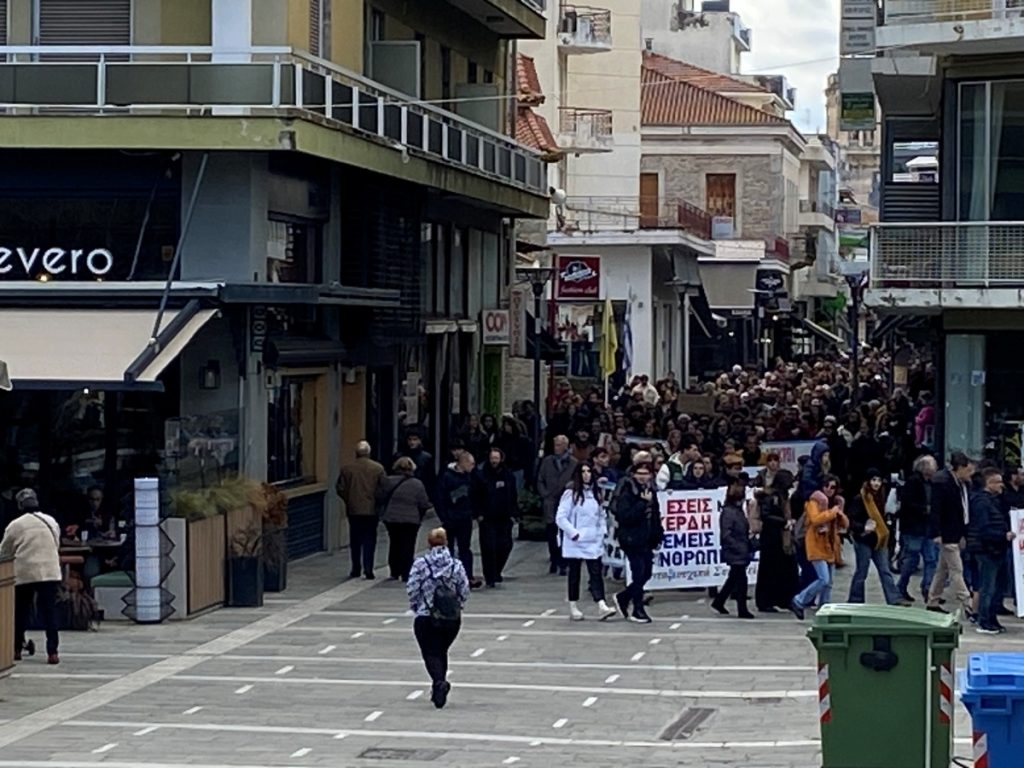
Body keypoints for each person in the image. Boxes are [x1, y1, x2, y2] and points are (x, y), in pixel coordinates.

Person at [406, 527, 470, 708]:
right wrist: (458, 604)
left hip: (426, 615)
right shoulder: (456, 565)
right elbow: (464, 589)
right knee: (441, 650)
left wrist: (416, 605)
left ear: (429, 543)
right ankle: (438, 686)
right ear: (446, 542)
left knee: (430, 652)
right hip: (451, 618)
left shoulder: (421, 564)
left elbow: (412, 587)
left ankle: (439, 682)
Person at [0, 489, 62, 664]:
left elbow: (5, 551)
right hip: (49, 570)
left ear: (20, 505)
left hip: (25, 571)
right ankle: (52, 652)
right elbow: (56, 543)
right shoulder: (51, 521)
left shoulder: (15, 525)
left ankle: (16, 649)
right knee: (49, 612)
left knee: (21, 611)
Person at [556, 462, 618, 621]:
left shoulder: (595, 493)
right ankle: (573, 605)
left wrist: (601, 531)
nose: (586, 474)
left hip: (592, 540)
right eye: (583, 471)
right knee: (574, 573)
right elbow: (561, 517)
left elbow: (601, 514)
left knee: (596, 572)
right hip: (576, 541)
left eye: (588, 471)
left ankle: (601, 604)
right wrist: (573, 533)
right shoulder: (571, 493)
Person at [790, 476, 848, 620]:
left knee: (829, 583)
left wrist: (839, 514)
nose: (829, 489)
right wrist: (832, 512)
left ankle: (824, 608)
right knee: (823, 579)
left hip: (830, 545)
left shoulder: (836, 504)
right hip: (815, 544)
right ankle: (799, 600)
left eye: (833, 487)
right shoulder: (813, 502)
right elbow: (815, 519)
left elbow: (845, 524)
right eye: (826, 486)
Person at [926, 452, 975, 615]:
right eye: (968, 470)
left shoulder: (962, 484)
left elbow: (963, 509)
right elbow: (936, 510)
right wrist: (937, 532)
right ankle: (967, 602)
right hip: (947, 532)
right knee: (956, 569)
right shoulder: (943, 483)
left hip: (956, 531)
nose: (970, 474)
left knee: (943, 569)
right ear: (960, 468)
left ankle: (933, 599)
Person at [613, 462, 662, 624]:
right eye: (639, 473)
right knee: (638, 572)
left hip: (647, 539)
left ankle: (624, 597)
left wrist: (658, 534)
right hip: (631, 539)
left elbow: (656, 514)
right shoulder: (627, 491)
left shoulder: (651, 491)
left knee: (646, 573)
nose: (642, 477)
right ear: (633, 474)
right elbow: (625, 516)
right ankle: (637, 609)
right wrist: (642, 503)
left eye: (646, 473)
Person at [847, 469, 904, 605]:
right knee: (862, 571)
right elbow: (851, 521)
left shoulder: (883, 497)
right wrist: (863, 527)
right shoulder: (860, 499)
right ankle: (855, 599)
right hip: (864, 540)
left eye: (879, 480)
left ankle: (894, 599)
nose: (876, 483)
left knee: (885, 570)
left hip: (880, 540)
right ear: (868, 481)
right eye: (873, 480)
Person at [967, 468, 1013, 634]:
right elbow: (983, 528)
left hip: (995, 549)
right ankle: (985, 620)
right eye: (998, 482)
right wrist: (1002, 535)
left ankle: (992, 618)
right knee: (988, 586)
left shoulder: (993, 501)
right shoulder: (982, 502)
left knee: (996, 586)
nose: (1002, 485)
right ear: (989, 483)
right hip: (987, 550)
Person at [336, 441, 385, 580]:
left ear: (356, 453)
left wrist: (349, 499)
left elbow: (340, 488)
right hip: (371, 510)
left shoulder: (347, 469)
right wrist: (378, 502)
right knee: (370, 539)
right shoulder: (378, 468)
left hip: (354, 510)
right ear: (369, 452)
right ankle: (368, 568)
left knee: (355, 540)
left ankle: (356, 568)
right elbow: (383, 488)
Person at [380, 457, 434, 581]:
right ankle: (406, 571)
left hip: (392, 518)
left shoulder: (388, 481)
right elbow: (423, 503)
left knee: (394, 543)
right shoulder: (417, 484)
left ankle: (394, 571)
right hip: (411, 519)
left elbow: (380, 496)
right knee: (408, 545)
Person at [754, 469, 798, 613]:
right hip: (772, 538)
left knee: (785, 570)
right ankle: (766, 601)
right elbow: (766, 515)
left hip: (780, 537)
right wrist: (784, 522)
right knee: (769, 570)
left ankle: (784, 599)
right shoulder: (771, 497)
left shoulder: (782, 496)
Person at [473, 447, 518, 588]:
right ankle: (490, 575)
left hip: (504, 517)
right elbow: (475, 495)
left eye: (496, 458)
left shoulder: (508, 475)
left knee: (505, 545)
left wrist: (514, 513)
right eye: (492, 458)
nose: (494, 461)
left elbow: (513, 495)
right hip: (487, 517)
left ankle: (497, 570)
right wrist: (478, 514)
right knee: (488, 547)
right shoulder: (481, 475)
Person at [897, 455, 939, 603]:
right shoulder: (913, 482)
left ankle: (928, 588)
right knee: (912, 559)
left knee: (931, 559)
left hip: (928, 527)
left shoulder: (933, 483)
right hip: (913, 527)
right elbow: (908, 503)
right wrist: (924, 509)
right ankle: (901, 586)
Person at [437, 450, 482, 589]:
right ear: (463, 463)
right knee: (449, 548)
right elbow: (440, 498)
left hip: (465, 517)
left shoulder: (471, 477)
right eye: (471, 464)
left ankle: (467, 576)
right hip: (451, 517)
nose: (473, 466)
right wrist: (444, 517)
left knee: (465, 548)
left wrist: (474, 512)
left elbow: (476, 495)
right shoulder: (447, 477)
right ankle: (448, 577)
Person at [711, 482, 755, 618]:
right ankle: (742, 609)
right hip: (735, 550)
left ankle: (719, 601)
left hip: (739, 548)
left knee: (734, 578)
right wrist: (738, 547)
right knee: (741, 579)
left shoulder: (736, 511)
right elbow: (726, 534)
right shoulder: (729, 512)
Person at [537, 435, 578, 576]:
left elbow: (576, 480)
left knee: (564, 533)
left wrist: (570, 491)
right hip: (550, 501)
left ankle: (563, 562)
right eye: (555, 445)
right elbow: (540, 479)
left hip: (565, 502)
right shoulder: (547, 461)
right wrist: (545, 494)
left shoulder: (573, 463)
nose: (557, 448)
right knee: (551, 532)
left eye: (559, 445)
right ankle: (553, 559)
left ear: (566, 446)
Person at [393, 430, 437, 503]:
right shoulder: (398, 456)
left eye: (415, 439)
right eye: (410, 439)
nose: (412, 442)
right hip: (401, 491)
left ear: (420, 440)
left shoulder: (426, 458)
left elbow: (430, 480)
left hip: (419, 492)